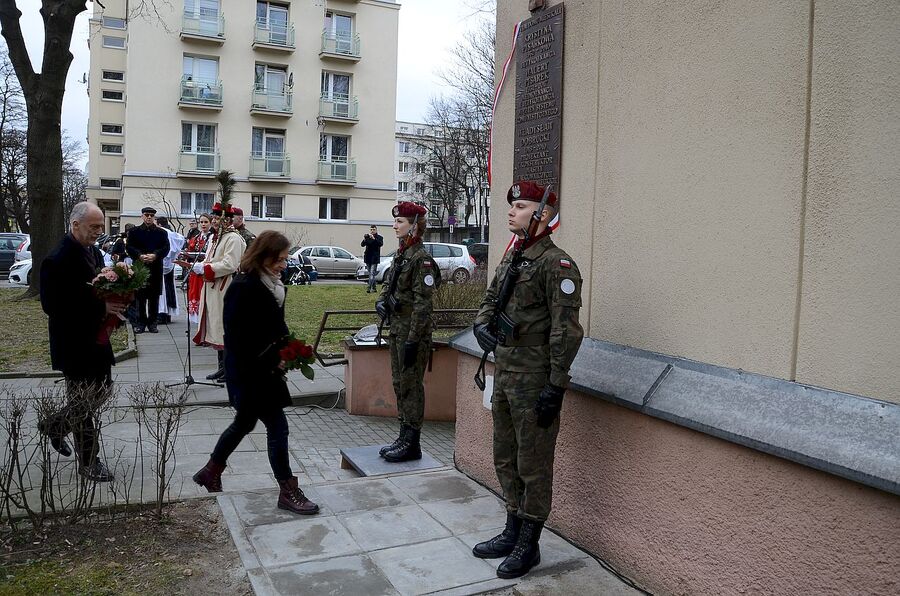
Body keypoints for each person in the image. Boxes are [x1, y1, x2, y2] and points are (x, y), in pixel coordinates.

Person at [470, 181, 584, 579]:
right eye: (512, 205)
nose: (511, 211)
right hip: (505, 372)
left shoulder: (558, 264)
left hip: (535, 378)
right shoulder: (513, 258)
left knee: (533, 462)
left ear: (543, 215)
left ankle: (528, 544)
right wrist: (481, 325)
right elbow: (488, 302)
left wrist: (556, 384)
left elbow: (566, 331)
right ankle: (512, 528)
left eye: (520, 206)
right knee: (505, 455)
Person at [192, 231, 319, 515]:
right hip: (252, 373)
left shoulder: (271, 284)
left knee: (244, 423)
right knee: (277, 427)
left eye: (286, 259)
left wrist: (291, 349)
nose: (284, 265)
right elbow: (236, 338)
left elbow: (275, 327)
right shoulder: (243, 286)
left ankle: (211, 471)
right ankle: (288, 490)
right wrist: (273, 359)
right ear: (264, 256)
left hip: (265, 370)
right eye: (280, 259)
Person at [38, 202, 121, 482]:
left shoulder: (93, 251)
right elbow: (53, 305)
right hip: (74, 342)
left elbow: (100, 286)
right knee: (83, 402)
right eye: (94, 226)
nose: (99, 231)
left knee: (103, 390)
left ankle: (55, 425)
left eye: (101, 226)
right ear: (75, 225)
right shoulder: (57, 259)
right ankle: (89, 461)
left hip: (96, 339)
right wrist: (102, 310)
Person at [375, 202, 440, 462]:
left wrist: (414, 340)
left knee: (411, 385)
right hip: (397, 329)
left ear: (414, 225)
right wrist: (381, 302)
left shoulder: (421, 259)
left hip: (413, 333)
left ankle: (412, 442)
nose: (394, 226)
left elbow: (423, 306)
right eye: (395, 221)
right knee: (400, 384)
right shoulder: (402, 255)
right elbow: (389, 286)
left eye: (400, 222)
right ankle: (403, 436)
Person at [192, 203, 246, 380]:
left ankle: (230, 369)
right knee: (216, 325)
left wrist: (206, 268)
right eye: (213, 217)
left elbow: (230, 264)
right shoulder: (216, 238)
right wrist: (202, 265)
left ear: (227, 220)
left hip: (226, 287)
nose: (213, 221)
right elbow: (211, 258)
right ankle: (222, 367)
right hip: (213, 286)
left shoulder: (233, 238)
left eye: (217, 218)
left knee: (224, 327)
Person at [126, 207, 169, 333]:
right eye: (146, 215)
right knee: (140, 296)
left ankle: (152, 323)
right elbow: (129, 247)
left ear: (154, 217)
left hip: (155, 267)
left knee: (154, 296)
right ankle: (140, 323)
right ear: (142, 216)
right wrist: (139, 255)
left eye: (151, 215)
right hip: (140, 267)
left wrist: (155, 255)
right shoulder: (134, 232)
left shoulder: (161, 233)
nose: (149, 217)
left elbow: (165, 247)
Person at [155, 216, 185, 324]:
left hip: (160, 263)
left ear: (158, 223)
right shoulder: (172, 233)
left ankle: (161, 313)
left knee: (160, 290)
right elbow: (181, 240)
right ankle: (168, 313)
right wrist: (173, 256)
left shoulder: (159, 232)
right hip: (170, 264)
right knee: (169, 287)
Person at [185, 214, 212, 324]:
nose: (203, 224)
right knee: (194, 293)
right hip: (195, 271)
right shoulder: (195, 238)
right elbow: (190, 251)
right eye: (201, 222)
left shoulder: (213, 237)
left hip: (206, 271)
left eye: (206, 222)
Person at [361, 224, 384, 293]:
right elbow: (362, 245)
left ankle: (369, 288)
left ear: (376, 230)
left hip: (374, 258)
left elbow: (380, 244)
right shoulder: (368, 237)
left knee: (371, 274)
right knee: (371, 274)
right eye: (371, 229)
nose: (372, 231)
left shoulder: (379, 237)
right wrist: (365, 238)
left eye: (373, 229)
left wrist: (374, 239)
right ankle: (374, 288)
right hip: (368, 258)